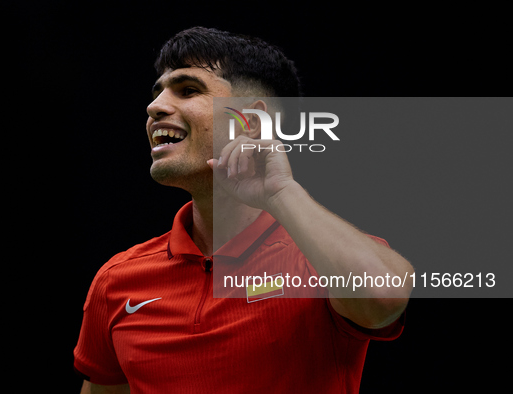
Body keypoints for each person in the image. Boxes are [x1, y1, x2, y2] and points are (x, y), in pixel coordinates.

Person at [74, 27, 413, 393]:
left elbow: (382, 298)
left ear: (249, 123)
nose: (153, 107)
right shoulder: (117, 281)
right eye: (156, 93)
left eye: (188, 90)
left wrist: (282, 191)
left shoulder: (319, 261)